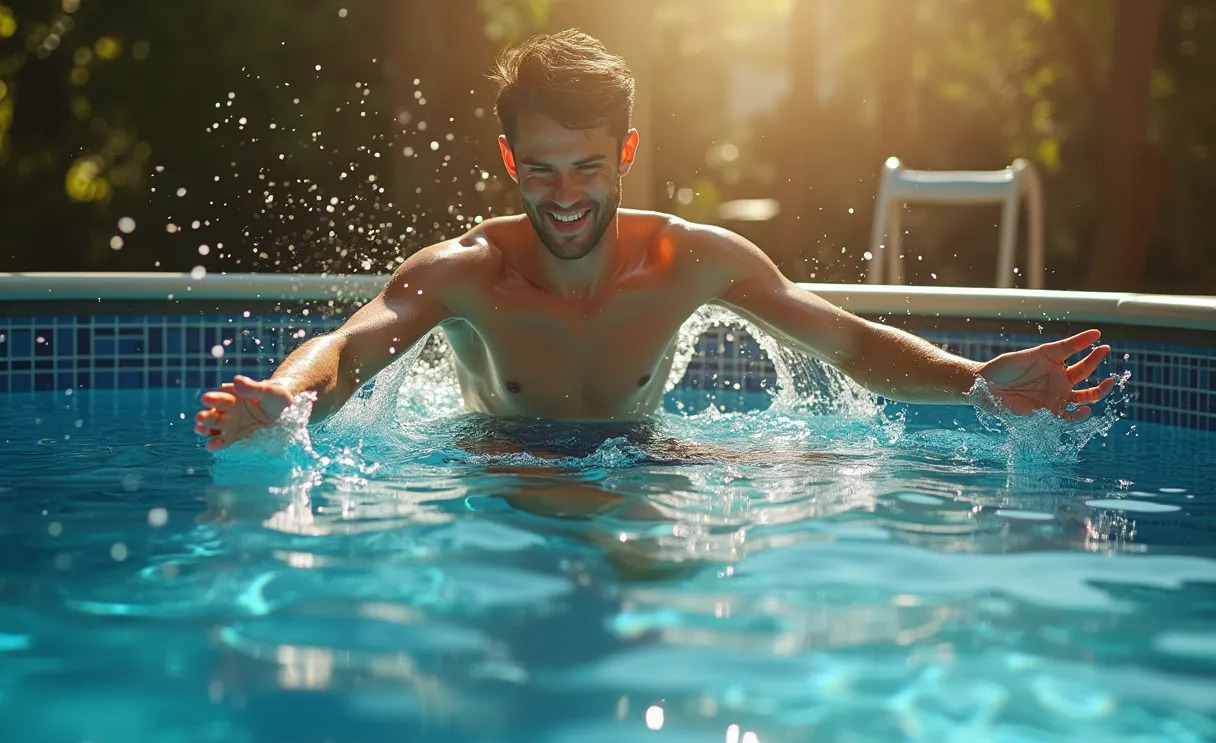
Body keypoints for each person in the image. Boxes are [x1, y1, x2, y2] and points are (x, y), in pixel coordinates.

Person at [194, 29, 1114, 453]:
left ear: (626, 152)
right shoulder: (465, 273)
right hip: (499, 464)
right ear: (510, 160)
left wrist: (974, 383)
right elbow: (352, 346)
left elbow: (844, 340)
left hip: (648, 458)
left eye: (589, 166)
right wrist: (286, 395)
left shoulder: (690, 259)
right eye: (542, 168)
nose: (564, 196)